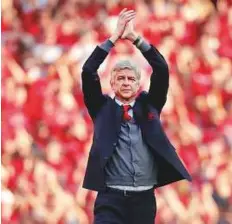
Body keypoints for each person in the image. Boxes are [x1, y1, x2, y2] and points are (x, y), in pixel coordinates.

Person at [81, 8, 192, 224]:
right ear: (112, 83)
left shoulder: (150, 105)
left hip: (143, 199)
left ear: (138, 83)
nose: (125, 82)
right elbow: (88, 71)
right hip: (110, 198)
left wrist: (134, 38)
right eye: (120, 78)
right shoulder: (101, 108)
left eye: (131, 79)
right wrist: (114, 38)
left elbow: (161, 68)